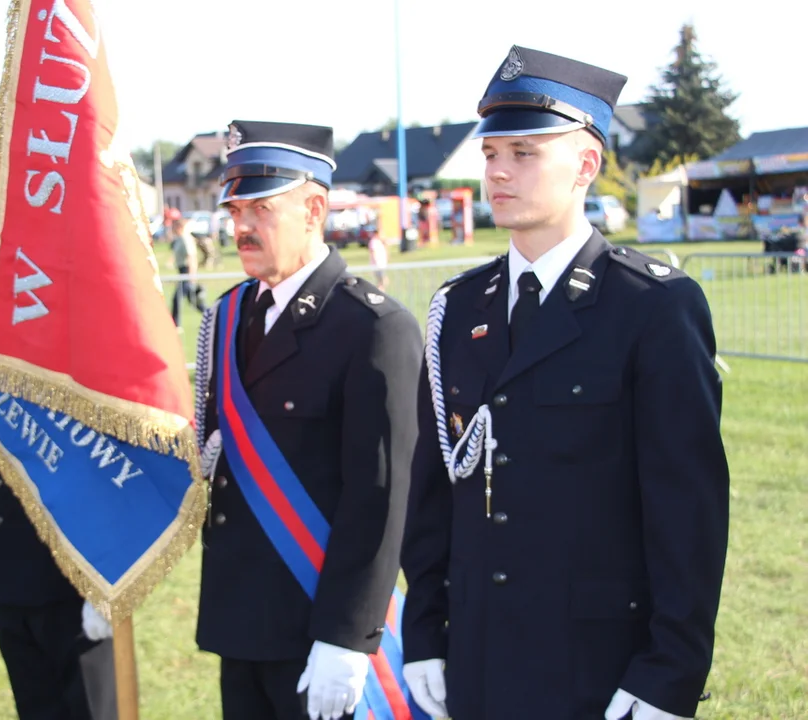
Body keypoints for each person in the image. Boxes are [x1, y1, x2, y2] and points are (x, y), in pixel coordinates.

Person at [400, 46, 730, 720]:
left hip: (599, 671)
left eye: (524, 154)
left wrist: (670, 672)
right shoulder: (460, 309)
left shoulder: (651, 307)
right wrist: (424, 633)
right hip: (479, 659)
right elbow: (434, 496)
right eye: (492, 153)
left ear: (586, 165)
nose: (497, 171)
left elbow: (688, 513)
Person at [193, 119, 423, 720]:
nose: (240, 226)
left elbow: (380, 500)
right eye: (234, 208)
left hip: (318, 627)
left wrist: (348, 635)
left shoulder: (373, 329)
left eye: (260, 209)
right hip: (240, 620)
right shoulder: (228, 316)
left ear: (313, 209)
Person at [0, 172, 118, 720]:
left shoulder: (94, 312)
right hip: (9, 566)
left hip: (74, 575)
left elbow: (121, 458)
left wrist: (109, 579)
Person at [170, 214, 207, 325]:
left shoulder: (186, 239)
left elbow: (191, 257)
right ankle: (211, 315)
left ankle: (176, 324)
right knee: (193, 301)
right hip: (182, 271)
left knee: (177, 299)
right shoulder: (179, 239)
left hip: (186, 272)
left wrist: (191, 275)